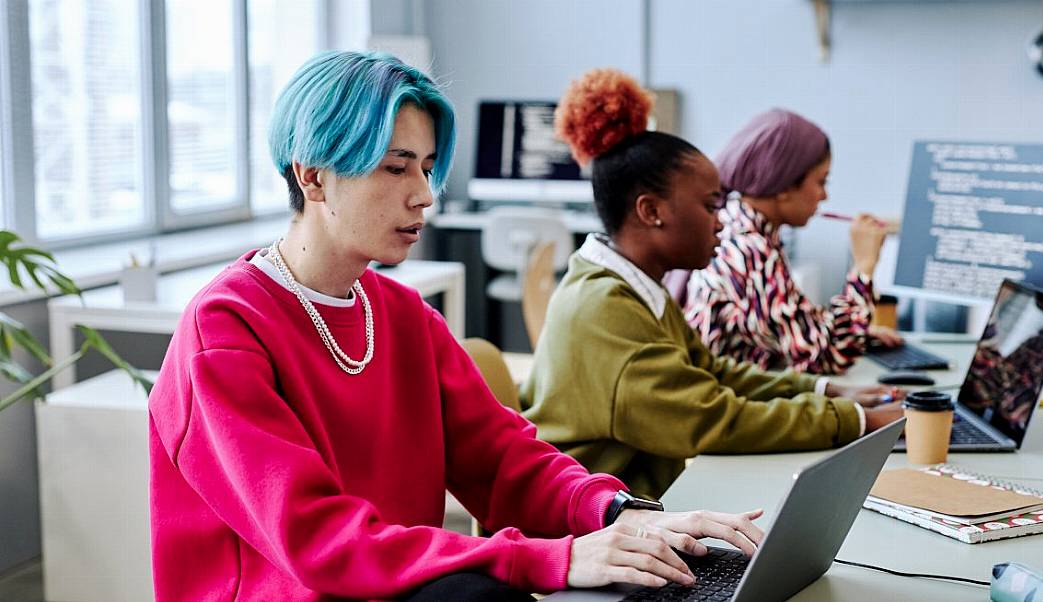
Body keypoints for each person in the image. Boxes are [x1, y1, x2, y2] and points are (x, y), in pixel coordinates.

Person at [146, 51, 773, 602]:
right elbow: (319, 542)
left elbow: (505, 460)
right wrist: (551, 559)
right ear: (312, 175)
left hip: (394, 587)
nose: (424, 194)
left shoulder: (399, 314)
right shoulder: (225, 330)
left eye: (425, 166)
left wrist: (620, 513)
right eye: (396, 168)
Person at [520, 69, 903, 501]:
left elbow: (713, 374)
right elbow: (711, 419)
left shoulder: (633, 285)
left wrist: (828, 391)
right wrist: (856, 420)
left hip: (631, 504)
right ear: (651, 211)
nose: (722, 221)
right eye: (710, 206)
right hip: (578, 528)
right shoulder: (606, 308)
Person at [680, 108, 903, 375]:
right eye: (821, 182)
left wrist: (861, 334)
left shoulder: (744, 228)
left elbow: (792, 329)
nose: (824, 196)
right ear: (784, 186)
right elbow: (824, 357)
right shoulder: (748, 247)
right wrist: (864, 266)